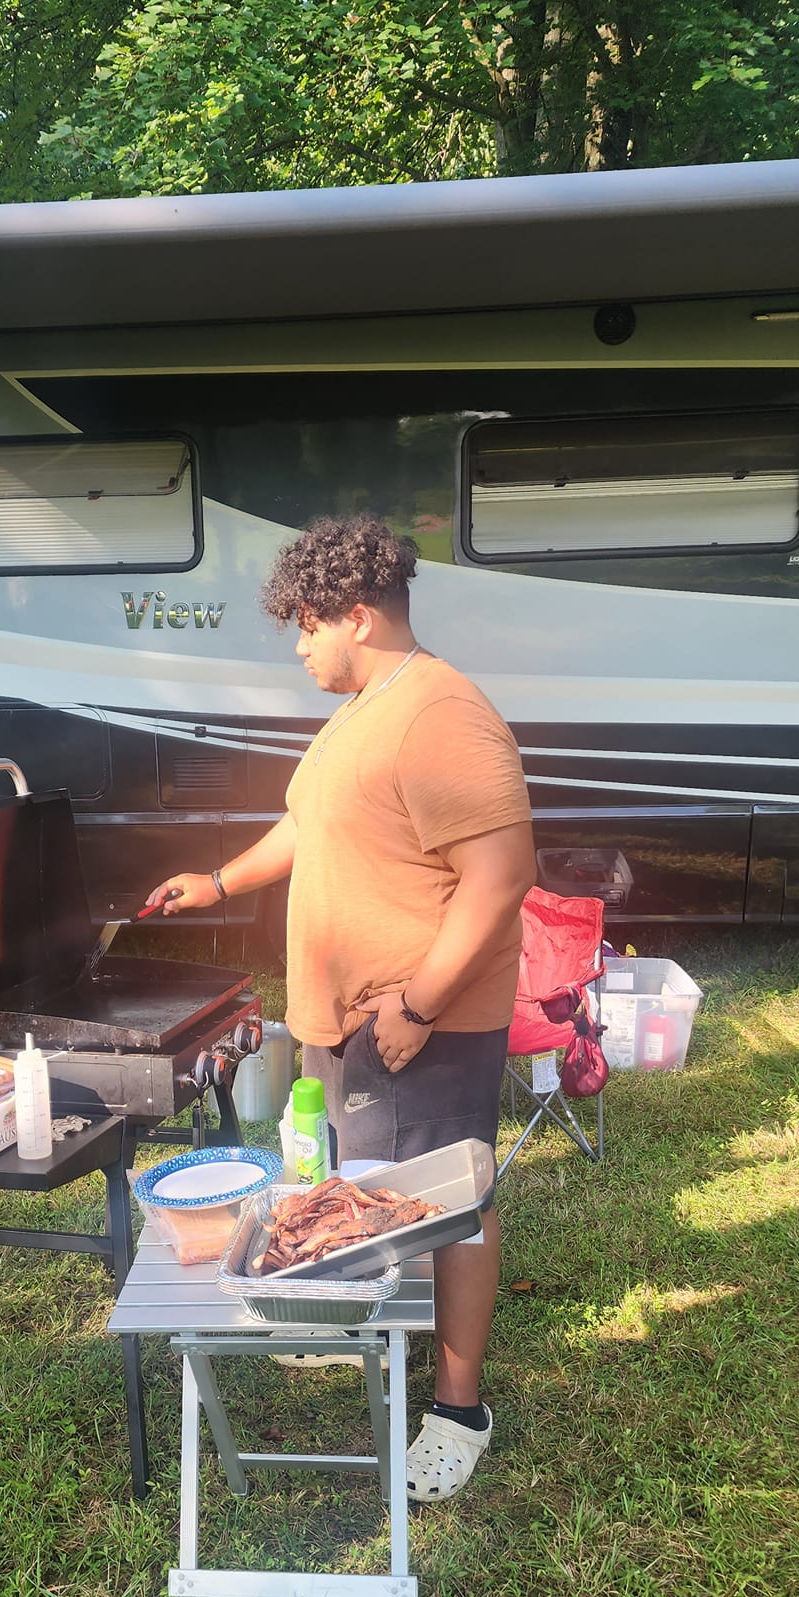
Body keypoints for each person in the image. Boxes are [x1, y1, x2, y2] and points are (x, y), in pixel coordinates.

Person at [145, 515, 535, 1502]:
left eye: (308, 626)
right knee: (365, 1196)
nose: (298, 644)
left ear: (357, 616)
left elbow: (499, 878)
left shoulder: (440, 712)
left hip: (416, 1021)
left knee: (447, 1208)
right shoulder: (360, 712)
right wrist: (219, 881)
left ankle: (457, 1408)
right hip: (348, 1020)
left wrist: (418, 1002)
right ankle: (368, 1322)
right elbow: (306, 825)